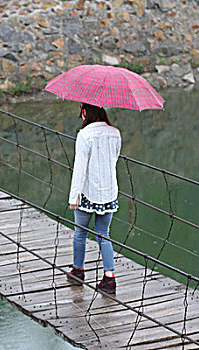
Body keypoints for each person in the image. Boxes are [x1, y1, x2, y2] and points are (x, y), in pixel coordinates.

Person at [66, 103, 121, 294]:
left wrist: (74, 196)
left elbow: (80, 168)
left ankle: (78, 271)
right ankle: (109, 278)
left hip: (88, 192)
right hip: (109, 191)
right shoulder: (115, 133)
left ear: (84, 112)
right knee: (103, 234)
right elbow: (115, 158)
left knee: (80, 233)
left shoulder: (84, 135)